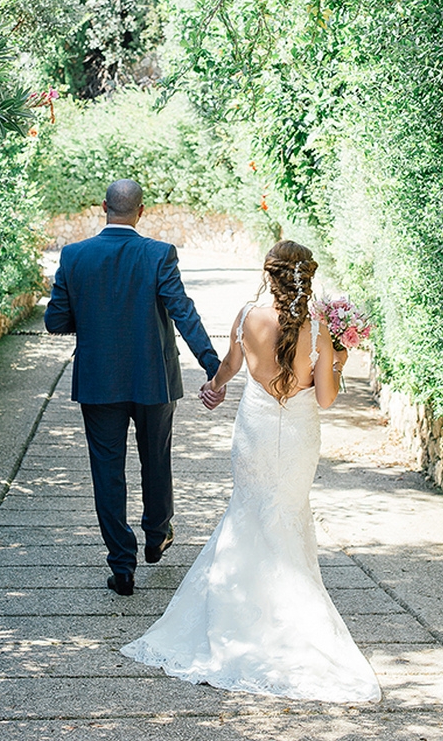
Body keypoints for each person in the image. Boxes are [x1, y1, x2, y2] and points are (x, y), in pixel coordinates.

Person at [121, 239, 381, 703]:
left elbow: (229, 366)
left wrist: (214, 388)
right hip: (298, 434)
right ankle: (290, 615)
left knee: (247, 513)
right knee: (288, 512)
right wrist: (338, 361)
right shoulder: (318, 326)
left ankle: (233, 614)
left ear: (269, 273)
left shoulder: (246, 316)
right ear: (306, 276)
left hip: (255, 431)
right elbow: (324, 398)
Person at [44, 179, 221, 597]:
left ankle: (122, 567)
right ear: (141, 212)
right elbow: (183, 312)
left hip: (98, 381)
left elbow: (55, 321)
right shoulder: (159, 254)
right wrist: (212, 366)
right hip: (153, 380)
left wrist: (90, 320)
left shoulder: (74, 256)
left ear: (103, 207)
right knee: (156, 459)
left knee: (107, 473)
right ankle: (157, 534)